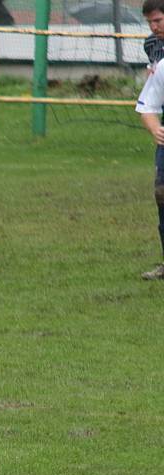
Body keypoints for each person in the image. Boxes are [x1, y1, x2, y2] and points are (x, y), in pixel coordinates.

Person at [137, 0, 164, 280]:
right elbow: (149, 97)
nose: (154, 27)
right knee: (162, 194)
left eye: (158, 20)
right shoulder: (152, 45)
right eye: (150, 22)